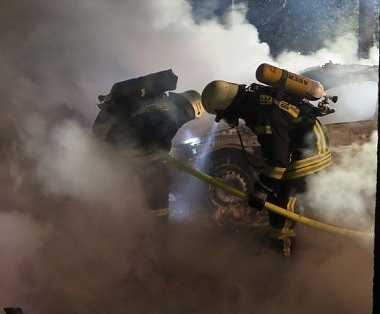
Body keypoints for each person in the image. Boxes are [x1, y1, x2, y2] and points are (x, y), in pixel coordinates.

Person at [200, 77, 333, 256]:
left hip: (312, 145)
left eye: (224, 113)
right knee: (277, 191)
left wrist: (261, 191)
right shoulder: (253, 98)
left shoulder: (259, 111)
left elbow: (278, 159)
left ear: (227, 104)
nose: (227, 119)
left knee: (284, 198)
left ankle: (284, 251)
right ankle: (283, 237)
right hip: (307, 140)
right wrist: (265, 186)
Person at [93, 69, 204, 220]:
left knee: (142, 173)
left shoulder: (162, 102)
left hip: (106, 133)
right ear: (191, 111)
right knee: (159, 178)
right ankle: (158, 225)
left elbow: (144, 129)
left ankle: (125, 214)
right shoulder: (172, 115)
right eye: (190, 116)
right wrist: (163, 152)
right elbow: (154, 138)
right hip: (113, 141)